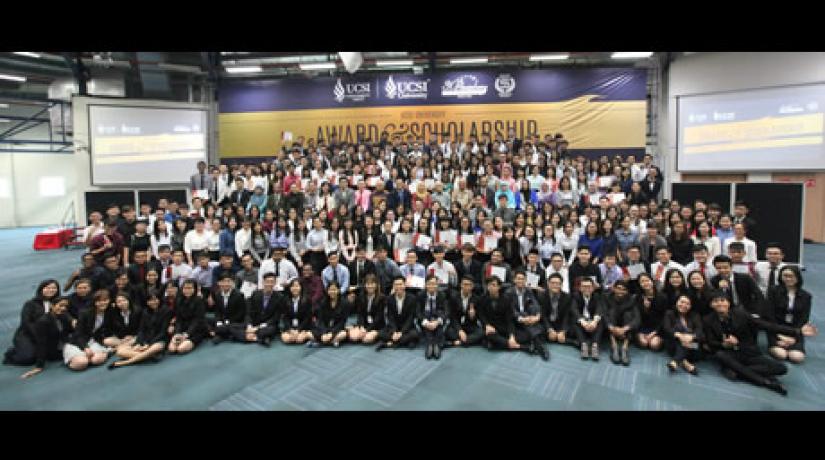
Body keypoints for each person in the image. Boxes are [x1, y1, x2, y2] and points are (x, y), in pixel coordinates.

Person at [702, 291, 815, 396]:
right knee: (720, 355)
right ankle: (766, 382)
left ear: (728, 302)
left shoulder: (741, 314)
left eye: (722, 300)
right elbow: (711, 342)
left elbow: (766, 325)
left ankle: (737, 372)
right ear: (711, 305)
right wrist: (724, 345)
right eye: (715, 301)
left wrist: (797, 331)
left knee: (781, 368)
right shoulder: (708, 320)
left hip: (748, 351)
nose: (720, 303)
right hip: (729, 354)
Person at [107, 289, 171, 369]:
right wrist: (139, 343)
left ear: (159, 299)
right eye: (150, 300)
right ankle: (150, 357)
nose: (153, 302)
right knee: (120, 351)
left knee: (156, 347)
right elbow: (141, 330)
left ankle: (123, 363)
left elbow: (163, 332)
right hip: (145, 341)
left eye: (155, 299)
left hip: (159, 340)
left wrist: (149, 344)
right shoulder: (145, 312)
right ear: (147, 302)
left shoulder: (167, 311)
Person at [4, 280, 62, 366]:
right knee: (28, 359)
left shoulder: (59, 303)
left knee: (53, 357)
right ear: (41, 289)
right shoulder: (30, 304)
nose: (51, 290)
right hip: (27, 335)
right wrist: (38, 338)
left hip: (47, 336)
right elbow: (26, 323)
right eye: (47, 287)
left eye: (54, 288)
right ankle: (10, 354)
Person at [766, 265, 815, 364]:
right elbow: (769, 315)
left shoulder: (806, 296)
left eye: (791, 276)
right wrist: (780, 336)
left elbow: (804, 318)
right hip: (776, 329)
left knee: (797, 357)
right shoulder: (773, 291)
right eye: (785, 276)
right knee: (781, 354)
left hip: (795, 330)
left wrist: (794, 336)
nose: (788, 279)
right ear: (781, 277)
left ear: (797, 277)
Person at [18, 296, 75, 379]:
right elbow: (41, 343)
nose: (63, 308)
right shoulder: (43, 321)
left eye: (65, 306)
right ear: (52, 306)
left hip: (62, 343)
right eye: (60, 305)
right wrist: (39, 366)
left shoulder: (63, 316)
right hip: (52, 350)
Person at [63, 289, 112, 370]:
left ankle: (103, 353)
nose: (102, 303)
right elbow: (78, 334)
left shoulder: (109, 312)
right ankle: (77, 359)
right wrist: (85, 347)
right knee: (82, 363)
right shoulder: (85, 313)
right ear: (95, 302)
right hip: (77, 343)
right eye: (99, 301)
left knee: (97, 360)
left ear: (109, 300)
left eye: (105, 300)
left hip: (93, 341)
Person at [506, 270, 549, 360]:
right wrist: (522, 318)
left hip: (528, 317)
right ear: (514, 280)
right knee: (534, 327)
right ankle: (540, 346)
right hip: (515, 319)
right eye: (518, 279)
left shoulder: (528, 290)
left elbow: (536, 304)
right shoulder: (508, 292)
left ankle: (535, 344)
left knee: (533, 314)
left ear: (525, 280)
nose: (521, 281)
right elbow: (510, 310)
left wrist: (536, 317)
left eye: (523, 279)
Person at [478, 276, 522, 352]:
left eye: (494, 285)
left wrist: (511, 336)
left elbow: (509, 319)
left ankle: (498, 344)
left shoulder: (506, 299)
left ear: (499, 287)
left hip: (503, 326)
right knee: (489, 335)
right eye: (489, 285)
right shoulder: (482, 298)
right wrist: (487, 325)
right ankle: (520, 346)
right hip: (491, 328)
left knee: (522, 335)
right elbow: (481, 315)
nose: (491, 287)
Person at [663, 294, 703, 374]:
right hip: (674, 343)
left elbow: (699, 331)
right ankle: (686, 364)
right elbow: (666, 328)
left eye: (687, 303)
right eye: (682, 302)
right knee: (680, 343)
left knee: (694, 346)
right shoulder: (669, 313)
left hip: (692, 345)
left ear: (691, 306)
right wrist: (679, 335)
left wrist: (692, 337)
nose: (684, 305)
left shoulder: (695, 315)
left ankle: (678, 361)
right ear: (677, 302)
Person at [376, 276, 419, 350]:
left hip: (407, 327)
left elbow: (411, 318)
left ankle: (391, 343)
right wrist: (394, 331)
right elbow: (390, 317)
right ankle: (403, 342)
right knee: (380, 334)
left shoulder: (412, 298)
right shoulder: (389, 299)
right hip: (394, 326)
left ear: (405, 285)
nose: (398, 287)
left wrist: (401, 332)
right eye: (396, 284)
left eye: (400, 284)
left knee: (415, 334)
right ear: (393, 286)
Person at [167, 280, 209, 355]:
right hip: (182, 328)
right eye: (185, 288)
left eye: (190, 288)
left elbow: (197, 321)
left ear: (194, 289)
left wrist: (187, 334)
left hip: (196, 330)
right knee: (172, 349)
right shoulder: (178, 300)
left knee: (180, 349)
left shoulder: (199, 301)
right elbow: (178, 319)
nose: (187, 290)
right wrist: (177, 333)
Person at [241, 272, 282, 346]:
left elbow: (276, 317)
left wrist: (257, 328)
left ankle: (250, 337)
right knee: (233, 327)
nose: (269, 284)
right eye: (267, 282)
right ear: (263, 282)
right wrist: (249, 325)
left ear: (275, 283)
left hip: (268, 325)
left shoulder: (280, 297)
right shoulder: (255, 294)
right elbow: (249, 312)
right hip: (255, 322)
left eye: (272, 282)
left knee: (270, 330)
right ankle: (259, 338)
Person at [571, 277, 606, 360]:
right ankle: (583, 345)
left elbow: (599, 309)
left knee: (601, 320)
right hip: (582, 322)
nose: (586, 288)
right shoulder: (575, 296)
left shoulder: (597, 296)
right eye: (584, 286)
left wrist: (594, 322)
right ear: (580, 288)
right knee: (574, 319)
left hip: (592, 321)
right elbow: (574, 310)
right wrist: (584, 322)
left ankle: (595, 345)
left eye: (589, 286)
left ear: (593, 288)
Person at [605, 280, 639, 366]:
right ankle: (614, 346)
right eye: (618, 288)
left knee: (628, 314)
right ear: (614, 288)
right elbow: (603, 314)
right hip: (612, 324)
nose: (621, 291)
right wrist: (611, 327)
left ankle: (625, 347)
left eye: (624, 289)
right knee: (611, 312)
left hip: (625, 325)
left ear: (627, 291)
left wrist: (625, 329)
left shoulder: (631, 300)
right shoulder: (607, 297)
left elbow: (637, 318)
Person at [347, 274, 386, 345]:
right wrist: (361, 326)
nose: (370, 286)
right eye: (368, 284)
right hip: (364, 324)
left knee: (366, 339)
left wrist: (367, 330)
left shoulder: (382, 298)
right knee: (353, 337)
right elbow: (360, 314)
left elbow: (379, 317)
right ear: (364, 285)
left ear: (376, 285)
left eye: (372, 284)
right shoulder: (361, 296)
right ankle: (354, 329)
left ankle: (375, 334)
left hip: (377, 326)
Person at [446, 276, 483, 347]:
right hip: (457, 325)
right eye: (465, 284)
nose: (467, 287)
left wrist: (473, 316)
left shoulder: (477, 299)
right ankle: (467, 341)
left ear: (472, 286)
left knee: (481, 332)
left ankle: (459, 342)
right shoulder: (453, 297)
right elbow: (452, 317)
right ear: (461, 285)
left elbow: (479, 317)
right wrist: (460, 330)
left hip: (470, 325)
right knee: (448, 331)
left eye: (469, 285)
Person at [417, 275, 447, 359]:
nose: (432, 286)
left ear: (437, 285)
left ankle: (435, 344)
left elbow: (446, 311)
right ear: (426, 285)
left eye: (434, 284)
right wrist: (426, 323)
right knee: (426, 320)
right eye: (429, 284)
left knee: (439, 322)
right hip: (425, 319)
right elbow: (418, 312)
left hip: (437, 318)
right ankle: (430, 344)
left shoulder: (442, 295)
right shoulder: (420, 294)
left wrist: (437, 322)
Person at [312, 281, 351, 347]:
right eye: (330, 290)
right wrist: (324, 332)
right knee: (309, 334)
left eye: (334, 290)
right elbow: (320, 320)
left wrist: (332, 333)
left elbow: (342, 322)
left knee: (343, 334)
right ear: (327, 291)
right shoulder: (322, 302)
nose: (332, 292)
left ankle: (322, 342)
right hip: (325, 328)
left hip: (337, 328)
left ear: (338, 290)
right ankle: (332, 341)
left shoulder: (345, 303)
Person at [211, 274, 247, 344]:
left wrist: (228, 321)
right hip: (223, 321)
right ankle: (225, 333)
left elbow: (241, 313)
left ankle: (220, 333)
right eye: (223, 281)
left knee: (230, 327)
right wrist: (218, 321)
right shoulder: (217, 294)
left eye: (228, 281)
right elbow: (217, 311)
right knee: (206, 321)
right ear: (219, 283)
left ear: (232, 283)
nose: (226, 284)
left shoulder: (239, 295)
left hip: (235, 321)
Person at [541, 273, 573, 346]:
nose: (555, 285)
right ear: (548, 284)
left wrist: (563, 331)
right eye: (552, 283)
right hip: (547, 323)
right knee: (538, 330)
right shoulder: (541, 295)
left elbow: (566, 316)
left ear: (561, 285)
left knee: (572, 329)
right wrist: (549, 329)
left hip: (559, 323)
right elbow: (543, 315)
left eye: (558, 283)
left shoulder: (567, 297)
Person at [280, 279, 314, 344]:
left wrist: (299, 330)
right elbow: (285, 317)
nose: (295, 288)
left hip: (303, 327)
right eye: (293, 286)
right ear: (290, 288)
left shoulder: (307, 300)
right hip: (290, 327)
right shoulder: (285, 299)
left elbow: (307, 318)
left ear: (301, 287)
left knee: (299, 340)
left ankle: (305, 334)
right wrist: (290, 330)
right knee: (287, 339)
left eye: (297, 286)